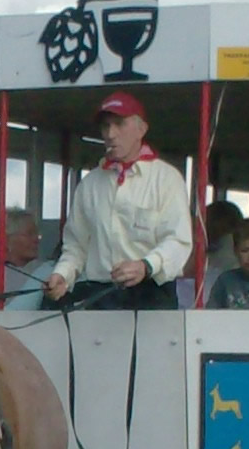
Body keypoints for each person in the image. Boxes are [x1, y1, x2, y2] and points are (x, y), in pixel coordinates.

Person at [45, 90, 192, 311]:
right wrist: (62, 275)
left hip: (152, 293)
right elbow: (76, 245)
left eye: (120, 124)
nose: (111, 134)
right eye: (106, 126)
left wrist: (146, 266)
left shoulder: (166, 179)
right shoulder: (90, 183)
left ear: (141, 129)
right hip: (101, 294)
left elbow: (178, 240)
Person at [0, 208, 55, 310]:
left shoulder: (39, 268)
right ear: (6, 239)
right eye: (29, 234)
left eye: (36, 234)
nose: (36, 239)